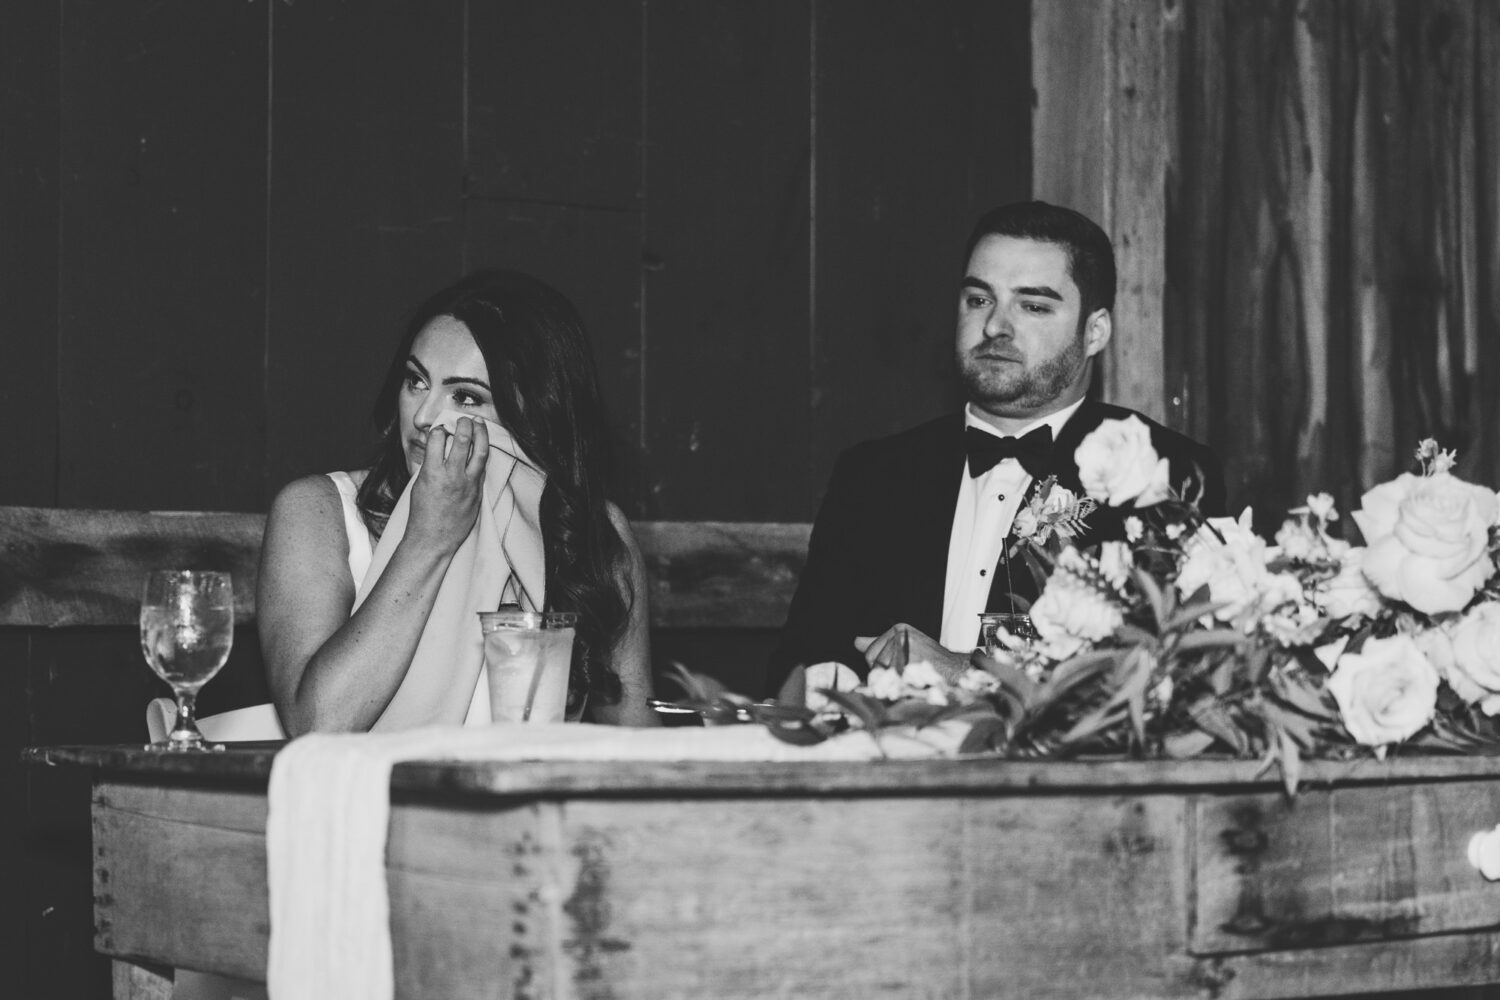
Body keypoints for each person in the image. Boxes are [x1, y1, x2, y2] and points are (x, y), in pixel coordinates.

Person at [770, 201, 1225, 701]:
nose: (994, 327)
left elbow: (1174, 685)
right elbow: (798, 663)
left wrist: (962, 676)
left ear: (1094, 332)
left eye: (1032, 305)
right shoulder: (873, 475)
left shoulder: (1161, 473)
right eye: (978, 299)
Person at [258, 269, 657, 733]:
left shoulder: (590, 529)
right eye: (416, 381)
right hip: (370, 802)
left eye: (465, 397)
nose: (425, 416)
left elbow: (637, 740)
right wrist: (429, 538)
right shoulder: (320, 512)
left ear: (532, 414)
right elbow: (317, 725)